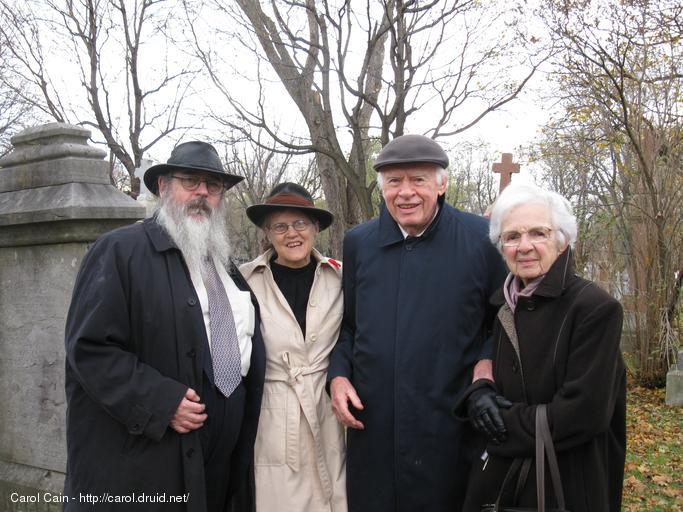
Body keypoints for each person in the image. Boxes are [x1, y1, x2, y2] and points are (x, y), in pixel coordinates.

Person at [64, 141, 266, 512]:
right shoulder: (120, 251)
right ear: (162, 187)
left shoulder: (227, 268)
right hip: (153, 461)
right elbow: (89, 349)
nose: (202, 193)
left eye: (213, 186)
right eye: (190, 181)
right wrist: (160, 401)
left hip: (221, 466)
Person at [327, 134, 508, 512]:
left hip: (448, 426)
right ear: (382, 188)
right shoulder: (359, 242)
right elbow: (350, 326)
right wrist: (339, 376)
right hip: (374, 428)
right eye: (394, 181)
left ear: (441, 185)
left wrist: (486, 365)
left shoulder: (481, 240)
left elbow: (503, 323)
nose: (405, 192)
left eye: (418, 180)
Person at [457, 182, 626, 512]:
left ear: (562, 242)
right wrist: (479, 394)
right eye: (512, 237)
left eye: (538, 233)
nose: (524, 246)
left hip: (565, 482)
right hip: (504, 482)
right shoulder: (506, 305)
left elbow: (584, 412)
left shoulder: (594, 308)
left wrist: (500, 423)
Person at [239, 183, 347, 512]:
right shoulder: (243, 282)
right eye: (280, 226)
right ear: (267, 234)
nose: (292, 234)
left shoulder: (341, 277)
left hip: (328, 409)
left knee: (336, 495)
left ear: (315, 228)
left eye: (300, 223)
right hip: (272, 416)